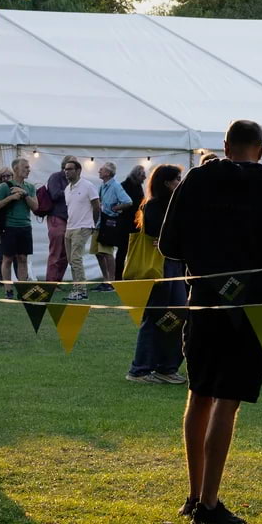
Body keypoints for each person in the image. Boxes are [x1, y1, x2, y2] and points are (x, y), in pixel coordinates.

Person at [157, 119, 262, 524]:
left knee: (199, 393)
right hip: (252, 307)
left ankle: (195, 494)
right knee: (227, 400)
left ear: (226, 145)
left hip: (203, 300)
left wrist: (207, 258)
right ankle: (210, 504)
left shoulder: (196, 182)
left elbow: (169, 244)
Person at [125, 163, 188, 386]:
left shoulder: (178, 204)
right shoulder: (152, 205)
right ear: (166, 182)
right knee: (154, 318)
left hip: (174, 265)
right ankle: (140, 369)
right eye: (176, 179)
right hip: (157, 267)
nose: (179, 183)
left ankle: (167, 367)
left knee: (180, 315)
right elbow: (156, 232)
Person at [0, 156, 39, 294]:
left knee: (23, 258)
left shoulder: (29, 187)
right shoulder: (4, 186)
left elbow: (36, 207)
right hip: (9, 226)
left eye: (28, 167)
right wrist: (11, 197)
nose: (28, 169)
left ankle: (22, 289)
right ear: (16, 169)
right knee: (7, 258)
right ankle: (8, 289)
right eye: (26, 167)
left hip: (25, 226)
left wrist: (25, 195)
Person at [58, 157, 100, 300]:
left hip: (83, 227)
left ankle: (81, 291)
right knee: (71, 260)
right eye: (65, 169)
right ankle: (78, 289)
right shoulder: (66, 189)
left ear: (78, 171)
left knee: (76, 258)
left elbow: (96, 206)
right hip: (70, 227)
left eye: (70, 169)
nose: (66, 172)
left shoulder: (87, 185)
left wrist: (92, 224)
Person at [94, 161, 130, 285]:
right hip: (100, 223)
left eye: (101, 169)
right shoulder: (102, 186)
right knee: (98, 252)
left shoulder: (115, 186)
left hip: (109, 222)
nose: (99, 171)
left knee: (107, 252)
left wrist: (115, 208)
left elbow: (128, 201)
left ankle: (112, 281)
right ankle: (106, 279)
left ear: (108, 173)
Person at [114, 163, 146, 278]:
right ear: (137, 175)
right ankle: (118, 276)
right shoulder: (125, 186)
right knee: (123, 251)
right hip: (126, 224)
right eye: (143, 175)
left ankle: (126, 274)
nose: (145, 178)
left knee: (129, 251)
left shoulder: (136, 186)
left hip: (134, 223)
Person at [42, 161, 70, 281]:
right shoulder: (55, 177)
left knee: (66, 253)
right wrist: (71, 191)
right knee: (55, 251)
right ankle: (51, 281)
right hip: (57, 217)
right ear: (64, 167)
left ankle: (58, 281)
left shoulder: (74, 180)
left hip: (69, 219)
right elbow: (54, 194)